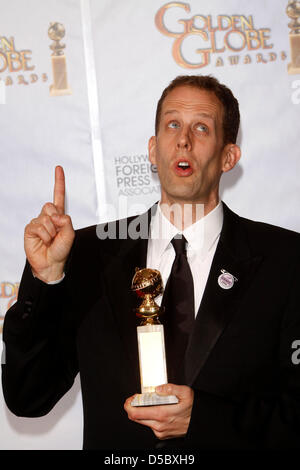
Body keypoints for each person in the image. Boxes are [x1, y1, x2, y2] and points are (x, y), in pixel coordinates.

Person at [2, 75, 300, 450]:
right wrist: (45, 282)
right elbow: (27, 397)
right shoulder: (88, 253)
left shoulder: (286, 261)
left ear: (229, 156)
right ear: (153, 148)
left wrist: (205, 420)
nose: (184, 140)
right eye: (172, 124)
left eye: (202, 128)